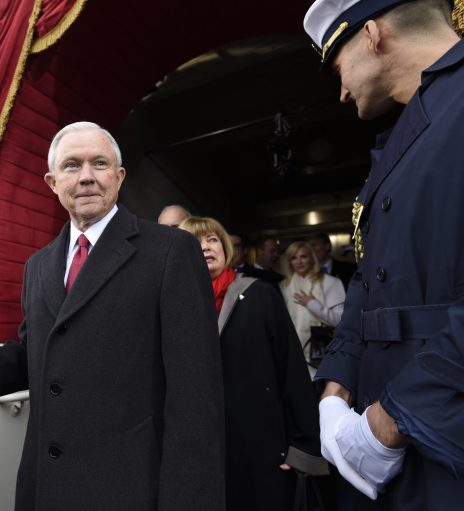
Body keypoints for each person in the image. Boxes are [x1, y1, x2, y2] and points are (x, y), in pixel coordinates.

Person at [0, 122, 225, 510]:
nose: (86, 177)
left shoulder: (169, 252)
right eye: (71, 165)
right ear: (51, 181)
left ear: (119, 177)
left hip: (130, 489)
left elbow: (195, 394)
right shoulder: (38, 265)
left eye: (99, 163)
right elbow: (41, 355)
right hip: (45, 489)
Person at [304, 0, 464, 507]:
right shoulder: (403, 133)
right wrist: (335, 393)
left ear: (372, 34)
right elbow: (368, 280)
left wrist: (390, 422)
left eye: (339, 66)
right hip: (390, 446)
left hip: (438, 439)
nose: (343, 90)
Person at [180, 217, 326, 511]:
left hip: (260, 446)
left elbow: (292, 370)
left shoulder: (259, 294)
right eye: (195, 241)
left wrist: (303, 446)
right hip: (200, 452)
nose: (206, 247)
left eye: (212, 240)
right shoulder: (176, 305)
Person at [280, 241, 345, 377]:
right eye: (294, 258)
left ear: (312, 258)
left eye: (303, 256)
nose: (299, 261)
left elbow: (340, 321)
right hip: (293, 356)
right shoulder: (284, 287)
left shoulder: (331, 283)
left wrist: (312, 304)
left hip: (323, 354)